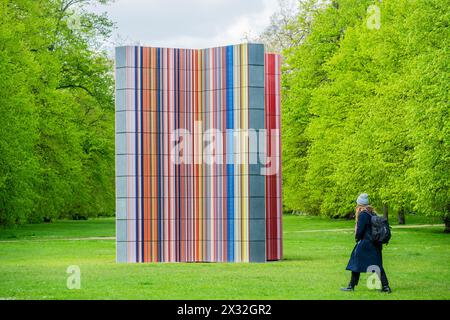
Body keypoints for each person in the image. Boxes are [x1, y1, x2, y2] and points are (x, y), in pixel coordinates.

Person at [341, 193, 392, 293]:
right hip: (375, 243)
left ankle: (351, 286)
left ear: (359, 204)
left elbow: (360, 231)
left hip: (366, 243)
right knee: (377, 265)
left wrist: (357, 238)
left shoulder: (363, 214)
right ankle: (385, 287)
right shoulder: (372, 213)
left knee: (356, 262)